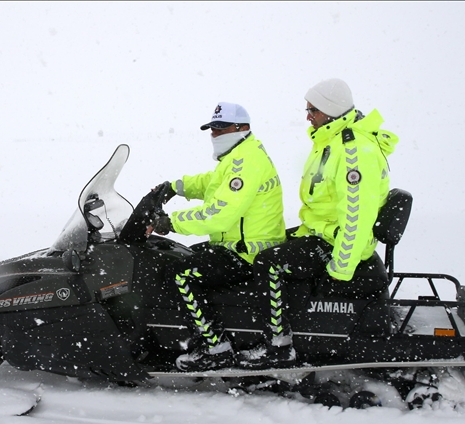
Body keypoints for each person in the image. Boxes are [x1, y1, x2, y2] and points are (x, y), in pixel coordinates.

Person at [244, 79, 400, 369]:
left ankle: (279, 346)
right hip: (320, 233)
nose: (307, 116)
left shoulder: (353, 151)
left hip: (334, 242)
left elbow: (357, 215)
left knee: (268, 263)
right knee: (267, 242)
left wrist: (340, 270)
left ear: (331, 110)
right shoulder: (330, 140)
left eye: (313, 110)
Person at [148, 102, 286, 372]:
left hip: (247, 253)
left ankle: (216, 348)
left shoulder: (247, 162)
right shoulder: (239, 156)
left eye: (221, 128)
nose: (215, 134)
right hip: (233, 244)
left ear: (242, 128)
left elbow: (219, 214)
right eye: (212, 129)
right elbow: (213, 183)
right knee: (179, 256)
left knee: (180, 273)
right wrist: (176, 187)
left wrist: (171, 222)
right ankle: (202, 334)